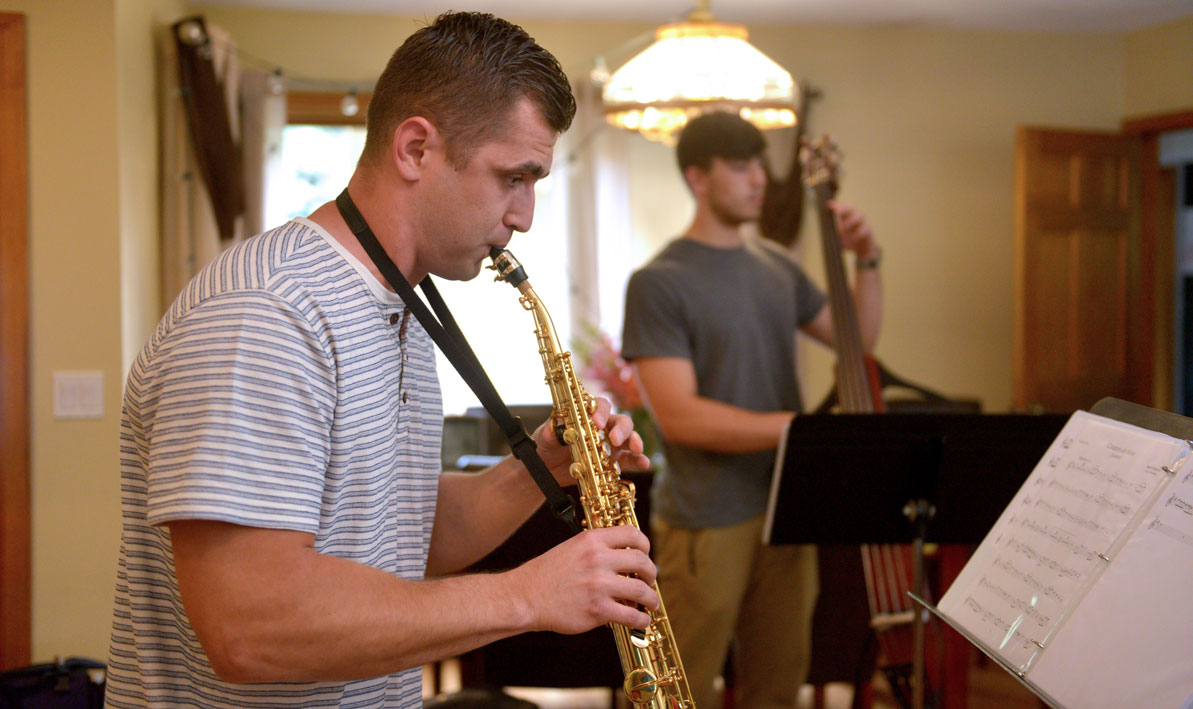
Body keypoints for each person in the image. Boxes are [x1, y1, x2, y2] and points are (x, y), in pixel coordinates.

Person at [106, 12, 656, 708]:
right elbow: (249, 625)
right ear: (416, 149)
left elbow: (394, 534)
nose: (525, 215)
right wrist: (526, 595)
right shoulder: (268, 309)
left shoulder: (398, 304)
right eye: (513, 176)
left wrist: (539, 470)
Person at [620, 111, 883, 708]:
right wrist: (803, 430)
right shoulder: (659, 281)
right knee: (680, 689)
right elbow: (682, 417)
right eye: (740, 167)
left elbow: (857, 341)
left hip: (787, 511)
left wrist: (867, 259)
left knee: (778, 687)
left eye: (760, 164)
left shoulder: (778, 267)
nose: (759, 179)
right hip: (707, 519)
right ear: (699, 178)